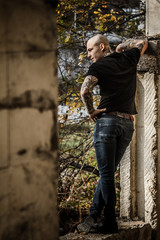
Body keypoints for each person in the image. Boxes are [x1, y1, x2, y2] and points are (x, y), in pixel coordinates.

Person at [77, 34, 148, 234]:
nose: (88, 54)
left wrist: (91, 111)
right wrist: (121, 47)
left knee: (106, 174)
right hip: (127, 124)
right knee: (108, 173)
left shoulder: (98, 68)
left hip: (107, 123)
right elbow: (144, 43)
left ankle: (109, 221)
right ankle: (93, 214)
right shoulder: (128, 58)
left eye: (90, 50)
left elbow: (85, 91)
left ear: (101, 46)